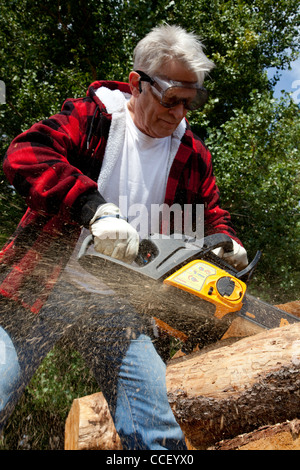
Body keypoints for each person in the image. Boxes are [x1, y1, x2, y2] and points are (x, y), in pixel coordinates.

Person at [0, 24, 248, 450]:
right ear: (137, 83)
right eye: (171, 98)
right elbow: (26, 154)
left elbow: (211, 215)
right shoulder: (95, 118)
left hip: (118, 302)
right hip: (41, 286)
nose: (179, 113)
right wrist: (92, 207)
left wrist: (226, 241)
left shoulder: (191, 153)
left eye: (191, 102)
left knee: (159, 436)